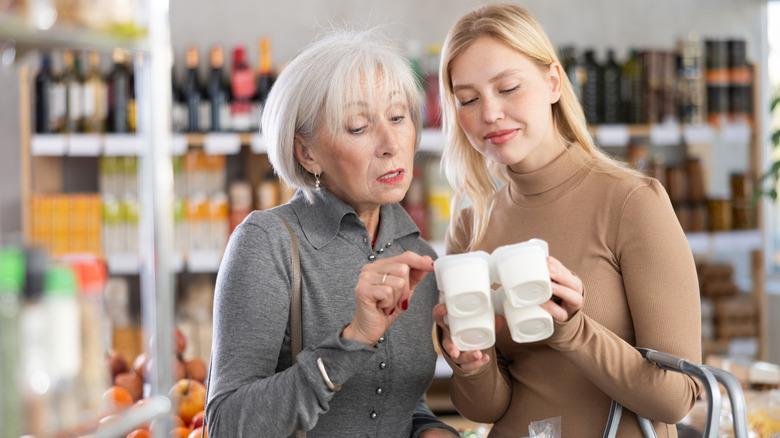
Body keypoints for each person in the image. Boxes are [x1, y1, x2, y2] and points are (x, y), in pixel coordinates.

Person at [433, 4, 702, 437]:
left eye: (508, 88)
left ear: (554, 82)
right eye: (467, 99)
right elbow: (484, 408)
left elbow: (676, 398)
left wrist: (574, 331)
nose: (490, 114)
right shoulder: (471, 224)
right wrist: (470, 364)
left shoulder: (632, 202)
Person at [204, 29, 459, 438]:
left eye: (398, 117)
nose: (391, 143)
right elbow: (225, 426)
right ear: (307, 153)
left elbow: (396, 404)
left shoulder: (417, 253)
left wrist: (430, 431)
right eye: (358, 127)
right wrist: (353, 338)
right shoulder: (268, 244)